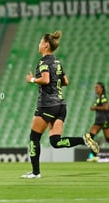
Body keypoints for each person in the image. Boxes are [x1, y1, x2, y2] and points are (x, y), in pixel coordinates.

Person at [21, 30, 99, 179]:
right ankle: (84, 139)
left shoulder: (43, 62)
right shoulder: (57, 62)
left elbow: (45, 79)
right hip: (61, 106)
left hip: (47, 105)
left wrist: (31, 79)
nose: (38, 44)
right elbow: (66, 81)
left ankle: (36, 172)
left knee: (34, 137)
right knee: (55, 141)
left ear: (45, 45)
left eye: (40, 42)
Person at [86, 82, 109, 162]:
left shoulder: (103, 97)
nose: (95, 89)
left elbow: (106, 107)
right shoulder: (98, 97)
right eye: (95, 87)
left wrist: (95, 107)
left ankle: (94, 155)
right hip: (99, 120)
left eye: (97, 87)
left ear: (102, 89)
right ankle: (94, 155)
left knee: (91, 137)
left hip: (104, 120)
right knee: (91, 137)